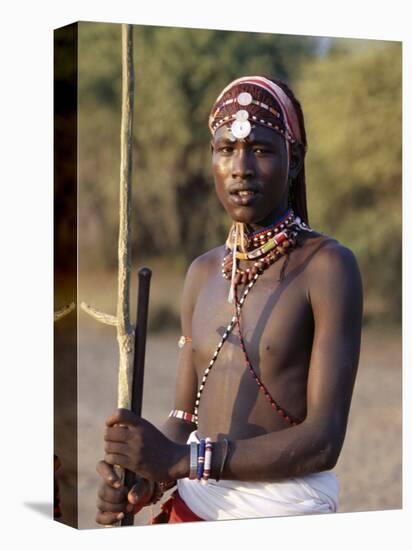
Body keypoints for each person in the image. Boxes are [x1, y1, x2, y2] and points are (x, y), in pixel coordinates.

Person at [95, 75, 363, 525]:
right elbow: (184, 417)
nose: (241, 168)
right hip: (196, 505)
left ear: (293, 161)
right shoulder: (202, 272)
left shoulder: (328, 267)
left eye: (260, 150)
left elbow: (323, 440)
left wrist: (185, 462)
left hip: (282, 513)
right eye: (226, 150)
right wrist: (146, 476)